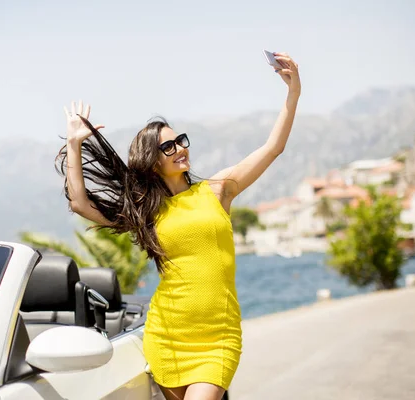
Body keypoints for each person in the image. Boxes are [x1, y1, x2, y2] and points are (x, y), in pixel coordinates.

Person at [57, 52, 301, 400]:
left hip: (219, 336)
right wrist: (74, 143)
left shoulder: (218, 190)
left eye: (180, 140)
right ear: (152, 161)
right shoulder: (146, 212)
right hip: (168, 335)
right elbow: (80, 203)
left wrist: (293, 94)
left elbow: (273, 147)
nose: (179, 149)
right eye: (167, 146)